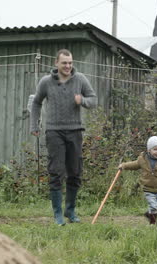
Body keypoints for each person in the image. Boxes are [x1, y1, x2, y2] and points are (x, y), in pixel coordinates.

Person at [30, 49, 97, 225]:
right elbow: (36, 102)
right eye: (64, 63)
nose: (68, 66)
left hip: (75, 131)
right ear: (56, 63)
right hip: (54, 132)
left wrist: (81, 100)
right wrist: (34, 125)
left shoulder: (80, 79)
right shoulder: (46, 82)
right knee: (56, 173)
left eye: (70, 63)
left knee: (75, 173)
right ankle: (58, 214)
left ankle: (70, 210)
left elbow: (93, 100)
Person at [119, 136, 157, 225]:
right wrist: (124, 165)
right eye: (155, 149)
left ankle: (149, 215)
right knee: (154, 206)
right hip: (148, 189)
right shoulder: (142, 160)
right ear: (149, 150)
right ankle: (153, 223)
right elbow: (134, 164)